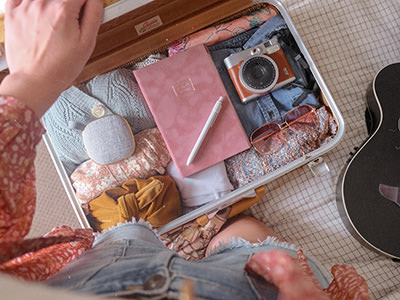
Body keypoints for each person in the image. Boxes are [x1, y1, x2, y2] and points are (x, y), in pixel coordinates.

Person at [0, 0, 370, 299]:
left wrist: (33, 81)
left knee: (240, 239)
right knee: (245, 241)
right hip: (244, 279)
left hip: (136, 259)